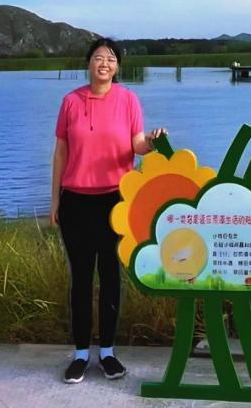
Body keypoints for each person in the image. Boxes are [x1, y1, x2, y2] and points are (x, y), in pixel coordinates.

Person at [50, 37, 165, 384]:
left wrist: (153, 141)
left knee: (111, 275)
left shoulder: (128, 100)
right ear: (89, 64)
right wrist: (55, 200)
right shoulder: (71, 101)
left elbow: (137, 144)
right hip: (75, 201)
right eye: (99, 57)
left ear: (117, 67)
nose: (104, 63)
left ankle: (108, 353)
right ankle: (80, 354)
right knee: (81, 278)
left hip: (116, 200)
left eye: (111, 59)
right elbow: (61, 153)